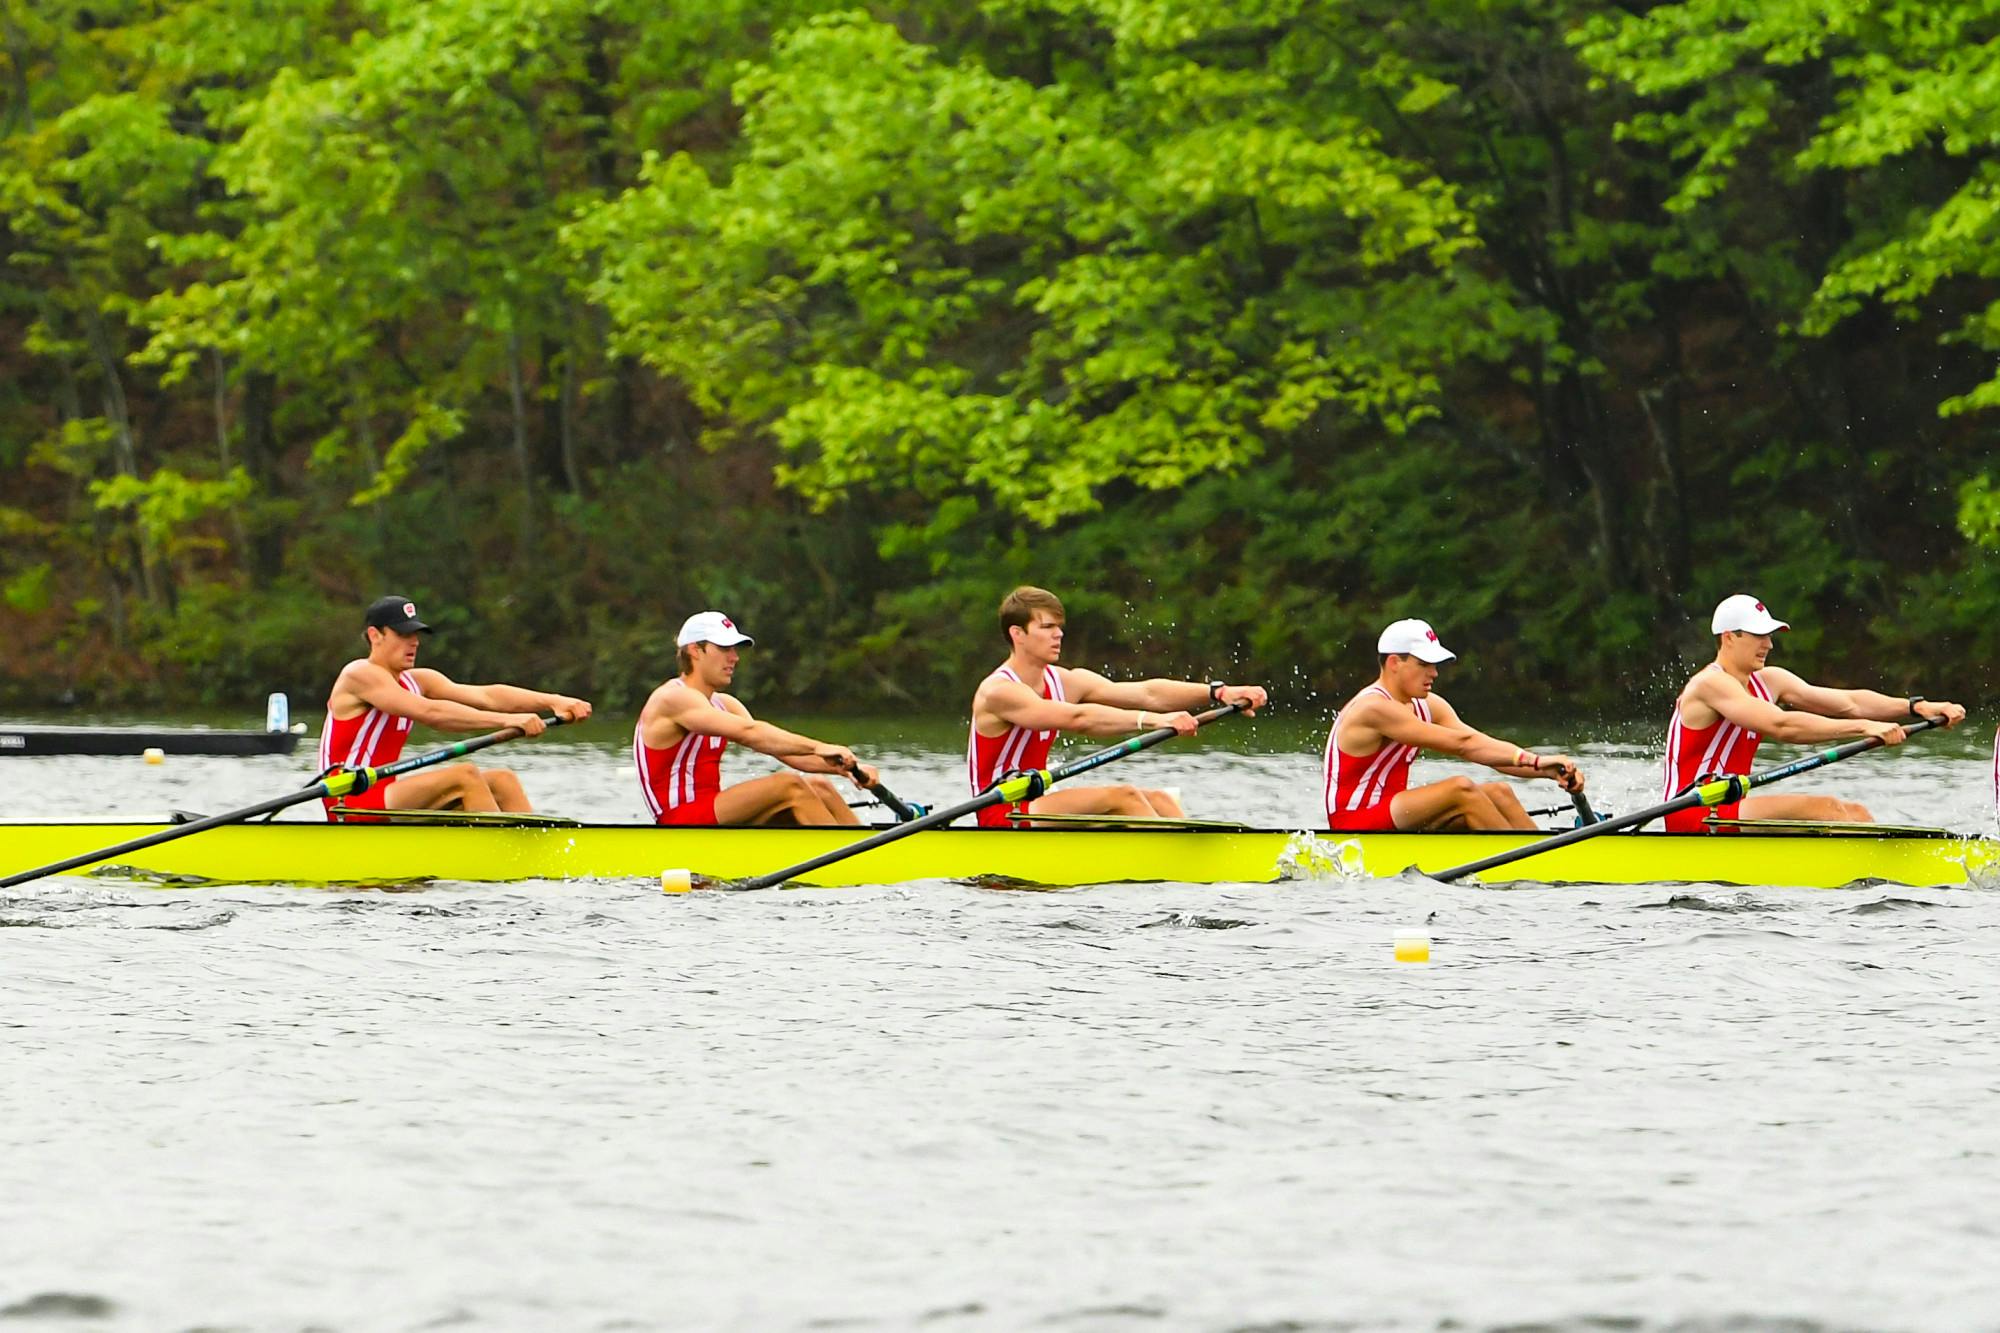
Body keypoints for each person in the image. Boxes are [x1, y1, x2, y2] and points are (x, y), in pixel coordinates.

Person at [967, 586, 1267, 828]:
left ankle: (1191, 865)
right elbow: (1079, 719)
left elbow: (1146, 693)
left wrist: (1218, 691)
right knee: (1125, 796)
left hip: (1035, 802)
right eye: (1047, 627)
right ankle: (1177, 874)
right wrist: (1155, 722)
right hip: (1001, 813)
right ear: (1017, 634)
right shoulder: (999, 692)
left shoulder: (1066, 681)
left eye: (1059, 626)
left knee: (1160, 800)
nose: (1058, 634)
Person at [1662, 594, 1964, 832]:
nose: (1768, 644)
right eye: (1759, 635)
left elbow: (1849, 702)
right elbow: (1781, 725)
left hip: (1728, 807)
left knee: (1857, 814)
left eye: (1770, 635)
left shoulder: (1770, 680)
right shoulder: (1710, 684)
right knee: (1829, 810)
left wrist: (1915, 707)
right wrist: (1863, 728)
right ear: (1729, 637)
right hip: (1691, 812)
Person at [320, 595, 592, 821]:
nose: (414, 642)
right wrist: (509, 721)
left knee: (503, 780)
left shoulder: (417, 680)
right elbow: (431, 713)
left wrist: (553, 701)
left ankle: (538, 858)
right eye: (403, 634)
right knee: (465, 775)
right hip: (348, 799)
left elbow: (486, 695)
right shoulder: (359, 674)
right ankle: (499, 861)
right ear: (374, 635)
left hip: (385, 792)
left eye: (416, 634)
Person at [1323, 618, 1585, 832]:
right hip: (1354, 823)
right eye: (1424, 664)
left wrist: (1548, 770)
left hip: (1394, 813)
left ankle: (1548, 857)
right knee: (1461, 789)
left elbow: (1483, 749)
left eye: (1434, 665)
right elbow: (1463, 746)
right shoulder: (1373, 708)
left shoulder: (1429, 705)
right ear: (1394, 663)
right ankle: (1534, 865)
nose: (1434, 673)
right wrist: (1535, 761)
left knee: (1499, 792)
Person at [635, 611, 881, 826]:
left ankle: (865, 851)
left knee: (819, 786)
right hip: (679, 821)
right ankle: (850, 864)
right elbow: (751, 733)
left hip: (712, 813)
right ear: (694, 651)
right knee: (789, 786)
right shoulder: (672, 698)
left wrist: (847, 769)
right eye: (723, 648)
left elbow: (785, 754)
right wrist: (818, 746)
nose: (734, 658)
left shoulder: (725, 704)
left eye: (734, 649)